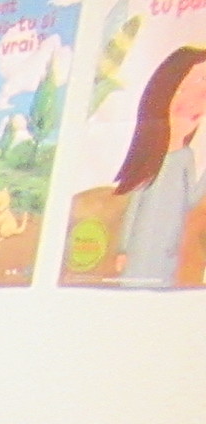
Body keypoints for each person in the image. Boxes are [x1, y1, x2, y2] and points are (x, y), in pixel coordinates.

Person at [114, 46, 206, 287]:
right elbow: (134, 207)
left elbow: (190, 201)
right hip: (141, 247)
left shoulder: (186, 157)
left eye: (203, 93)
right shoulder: (152, 157)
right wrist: (123, 249)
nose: (194, 103)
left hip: (167, 253)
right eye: (185, 89)